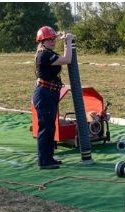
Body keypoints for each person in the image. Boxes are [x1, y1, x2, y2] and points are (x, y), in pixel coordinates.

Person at [32, 26, 74, 170]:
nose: (52, 41)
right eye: (48, 39)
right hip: (45, 93)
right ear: (42, 41)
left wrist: (66, 43)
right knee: (46, 128)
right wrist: (68, 42)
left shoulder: (47, 52)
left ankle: (48, 158)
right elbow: (67, 59)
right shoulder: (44, 55)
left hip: (48, 93)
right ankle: (44, 161)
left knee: (50, 127)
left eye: (53, 39)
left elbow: (63, 58)